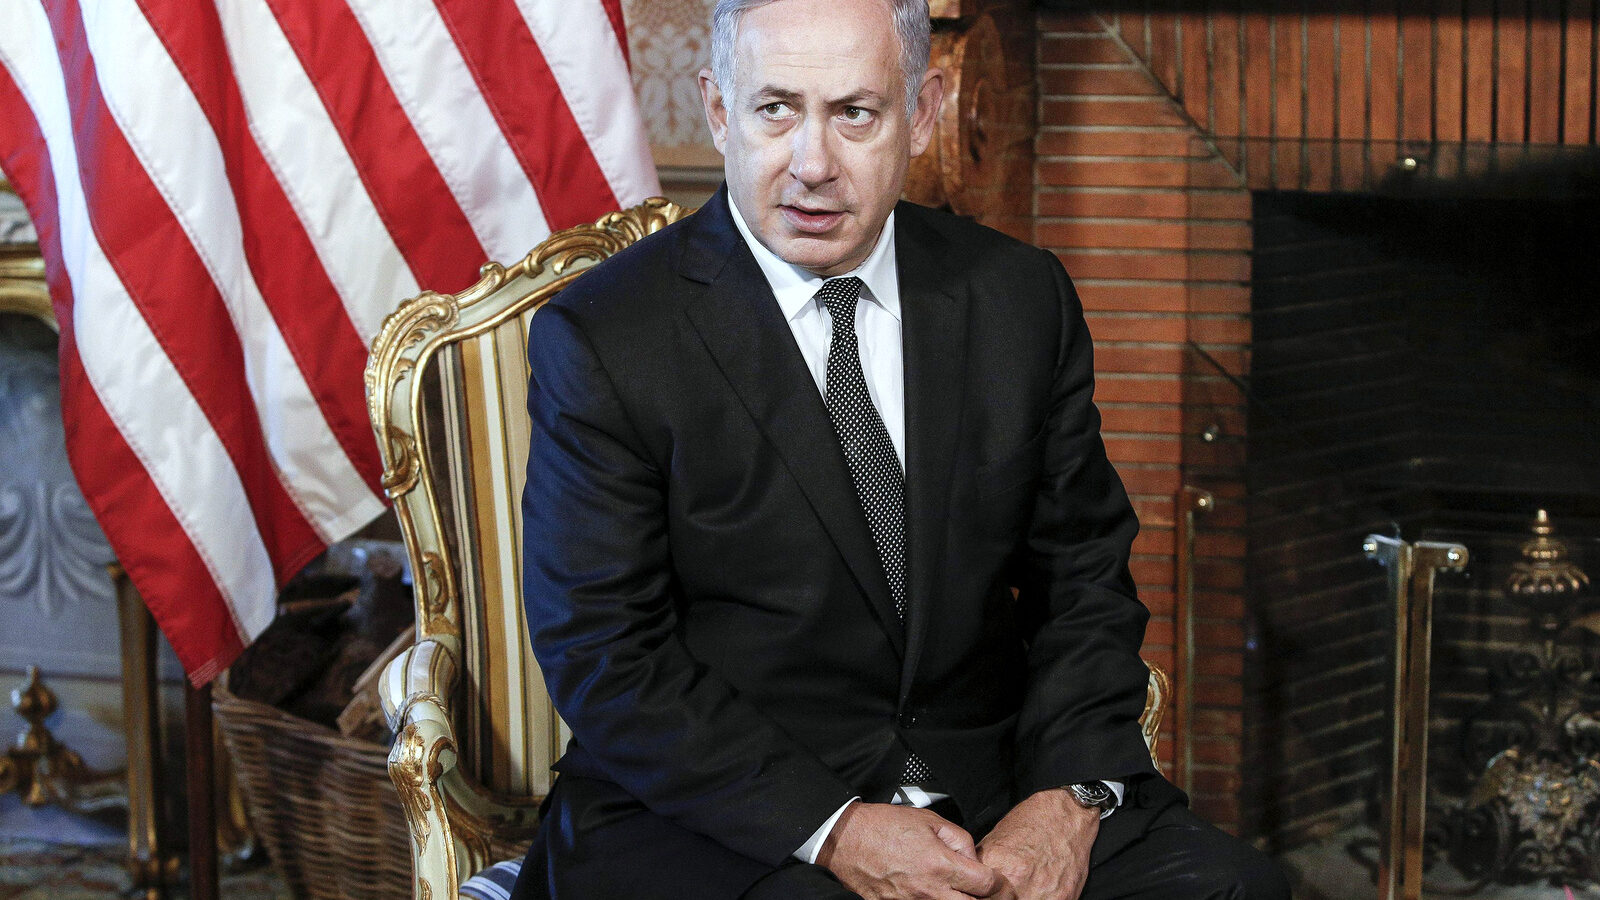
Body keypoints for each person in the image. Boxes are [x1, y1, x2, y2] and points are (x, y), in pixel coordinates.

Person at [510, 0, 1290, 898]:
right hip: (718, 814)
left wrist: (1068, 796)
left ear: (922, 113)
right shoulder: (608, 335)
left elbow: (1083, 581)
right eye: (775, 109)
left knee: (1237, 890)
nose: (812, 165)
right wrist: (834, 829)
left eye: (854, 113)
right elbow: (606, 652)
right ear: (718, 110)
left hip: (994, 789)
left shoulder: (1017, 298)